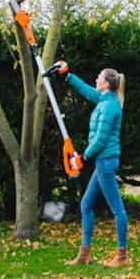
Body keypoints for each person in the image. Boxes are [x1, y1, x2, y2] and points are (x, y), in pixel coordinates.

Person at [51, 61, 129, 267]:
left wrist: (82, 158)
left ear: (106, 84)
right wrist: (68, 75)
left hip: (105, 162)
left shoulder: (110, 106)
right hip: (102, 162)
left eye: (99, 77)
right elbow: (87, 91)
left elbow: (101, 140)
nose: (96, 80)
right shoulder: (104, 100)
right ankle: (84, 254)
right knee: (86, 205)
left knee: (117, 210)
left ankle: (122, 256)